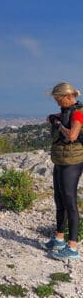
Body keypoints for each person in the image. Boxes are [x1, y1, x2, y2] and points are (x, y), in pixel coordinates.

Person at [47, 83, 83, 260]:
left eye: (58, 99)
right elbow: (51, 118)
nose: (56, 102)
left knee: (70, 201)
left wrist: (59, 124)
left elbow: (72, 136)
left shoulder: (78, 112)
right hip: (60, 159)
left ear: (68, 96)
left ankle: (73, 247)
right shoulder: (66, 110)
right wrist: (55, 118)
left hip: (73, 162)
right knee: (59, 199)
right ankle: (59, 238)